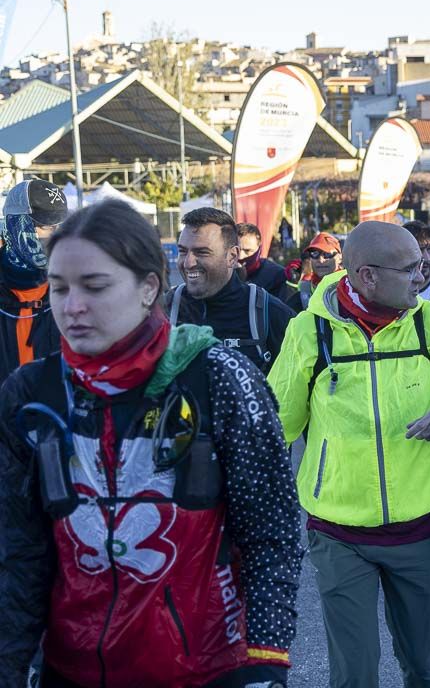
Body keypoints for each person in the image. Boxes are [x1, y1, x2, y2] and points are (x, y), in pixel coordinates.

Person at [0, 199, 302, 687]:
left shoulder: (220, 378)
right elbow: (18, 556)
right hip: (70, 670)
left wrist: (266, 663)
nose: (72, 306)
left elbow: (272, 531)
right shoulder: (30, 394)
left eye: (95, 286)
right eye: (59, 288)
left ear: (148, 288)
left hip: (203, 668)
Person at [269, 221, 430, 688]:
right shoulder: (309, 331)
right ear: (367, 276)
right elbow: (278, 425)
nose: (423, 277)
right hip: (338, 532)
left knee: (425, 666)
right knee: (354, 674)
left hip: (422, 526)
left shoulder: (429, 321)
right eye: (411, 269)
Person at [171, 208, 294, 374]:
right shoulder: (167, 309)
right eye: (183, 251)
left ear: (232, 256)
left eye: (202, 252)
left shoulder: (267, 312)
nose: (188, 263)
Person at [0, 179, 68, 383]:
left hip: (58, 414)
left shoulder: (73, 292)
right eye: (47, 226)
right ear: (16, 223)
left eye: (60, 227)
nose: (56, 236)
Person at [236, 222, 293, 301]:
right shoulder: (221, 273)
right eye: (236, 250)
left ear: (259, 249)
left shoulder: (276, 275)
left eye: (247, 251)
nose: (240, 256)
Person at [287, 231, 342, 312]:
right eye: (314, 253)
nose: (321, 260)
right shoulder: (303, 294)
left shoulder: (352, 289)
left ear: (340, 258)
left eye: (327, 254)